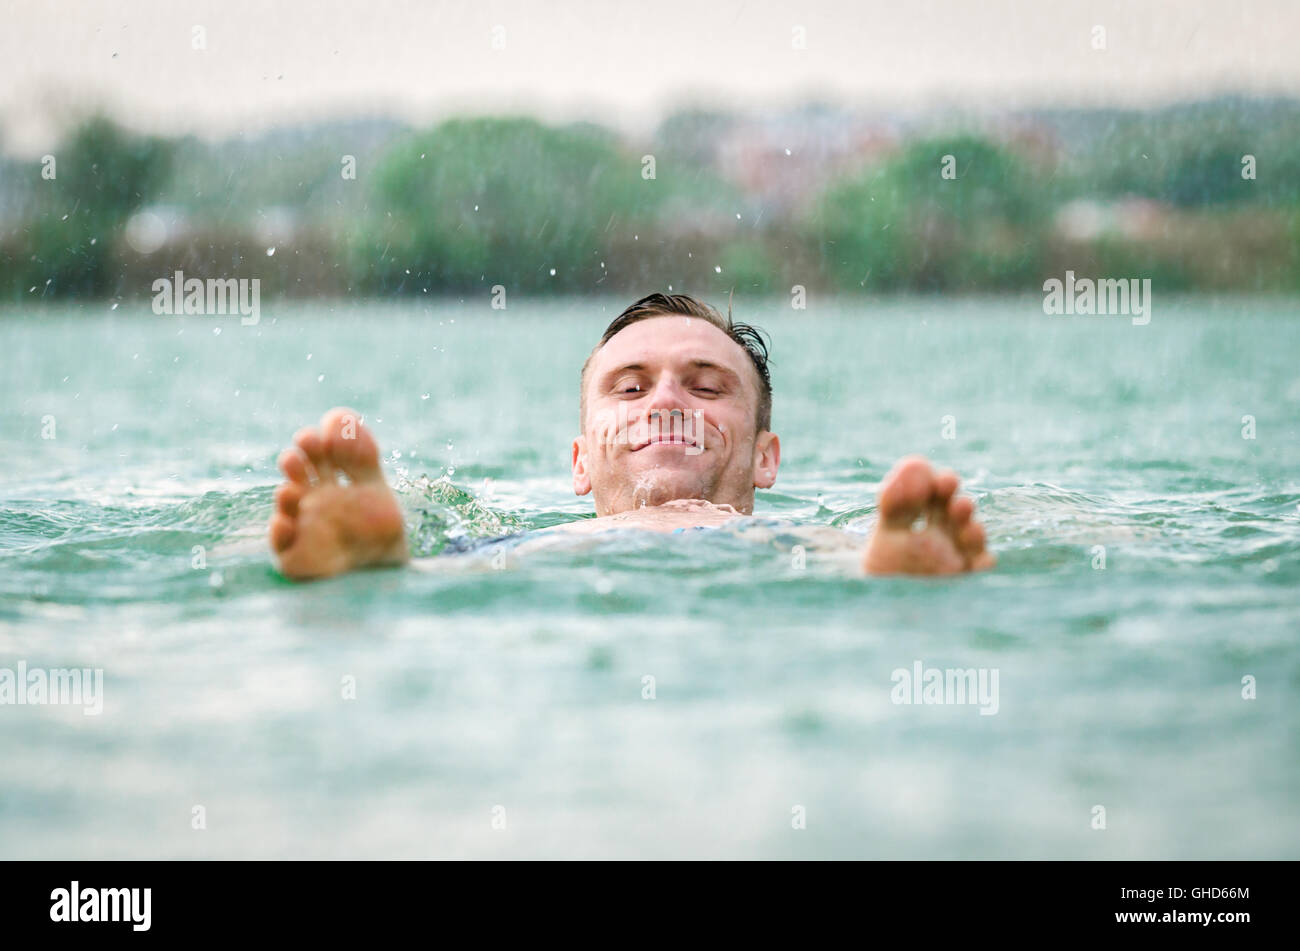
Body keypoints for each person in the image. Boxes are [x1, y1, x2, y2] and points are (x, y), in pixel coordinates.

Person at [268, 293, 995, 580]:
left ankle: (898, 576)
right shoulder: (503, 547)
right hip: (538, 563)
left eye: (708, 385)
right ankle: (371, 556)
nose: (669, 399)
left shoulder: (825, 544)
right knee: (436, 565)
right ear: (580, 462)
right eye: (630, 386)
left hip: (783, 555)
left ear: (767, 455)